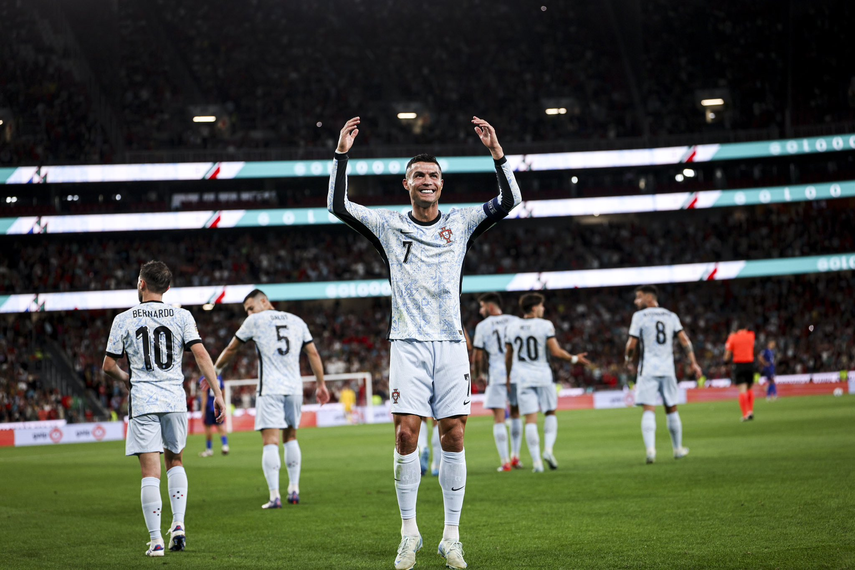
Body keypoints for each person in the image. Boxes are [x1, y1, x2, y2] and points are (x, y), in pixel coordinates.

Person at [329, 116, 522, 570]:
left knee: (453, 434)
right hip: (408, 343)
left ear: (442, 183)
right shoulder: (388, 225)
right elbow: (338, 206)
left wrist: (497, 153)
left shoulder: (462, 221)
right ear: (407, 184)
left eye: (433, 175)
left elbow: (510, 201)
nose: (427, 180)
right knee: (405, 435)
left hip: (451, 343)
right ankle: (409, 533)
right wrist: (341, 156)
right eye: (419, 175)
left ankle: (451, 537)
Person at [102, 260, 225, 557]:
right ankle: (179, 525)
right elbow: (201, 355)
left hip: (143, 401)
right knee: (176, 461)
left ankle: (156, 541)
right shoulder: (182, 316)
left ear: (141, 284)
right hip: (174, 400)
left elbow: (108, 366)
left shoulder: (123, 319)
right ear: (167, 288)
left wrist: (126, 378)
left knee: (150, 471)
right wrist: (218, 393)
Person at [213, 289, 330, 508]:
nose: (249, 313)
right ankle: (294, 490)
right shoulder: (297, 321)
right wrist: (321, 384)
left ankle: (275, 496)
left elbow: (231, 349)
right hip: (294, 388)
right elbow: (313, 353)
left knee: (270, 442)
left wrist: (214, 370)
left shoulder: (255, 321)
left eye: (250, 308)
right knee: (291, 437)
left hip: (270, 389)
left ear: (264, 301)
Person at [504, 293, 590, 473]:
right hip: (542, 375)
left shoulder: (512, 327)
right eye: (542, 306)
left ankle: (536, 463)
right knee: (550, 412)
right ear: (534, 308)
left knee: (530, 420)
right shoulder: (545, 325)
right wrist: (574, 359)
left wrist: (508, 376)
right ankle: (548, 450)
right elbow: (556, 352)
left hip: (522, 377)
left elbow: (509, 356)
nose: (543, 309)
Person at [625, 285, 701, 464]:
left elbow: (631, 344)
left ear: (649, 298)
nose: (636, 301)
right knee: (671, 408)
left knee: (648, 409)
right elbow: (684, 340)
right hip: (667, 369)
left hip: (648, 369)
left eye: (639, 297)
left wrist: (627, 359)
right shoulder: (671, 316)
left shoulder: (639, 316)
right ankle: (678, 449)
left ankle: (651, 451)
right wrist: (694, 362)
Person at [472, 292, 523, 471]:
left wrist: (478, 374)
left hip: (497, 375)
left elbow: (478, 356)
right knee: (516, 414)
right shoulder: (516, 321)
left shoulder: (482, 326)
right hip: (518, 373)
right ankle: (516, 457)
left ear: (490, 307)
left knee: (499, 418)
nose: (480, 311)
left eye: (482, 307)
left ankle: (505, 462)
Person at [725, 325, 757, 421]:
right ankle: (751, 411)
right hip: (750, 363)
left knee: (742, 390)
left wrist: (725, 362)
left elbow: (727, 355)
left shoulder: (733, 337)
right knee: (750, 388)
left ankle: (745, 414)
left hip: (739, 364)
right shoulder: (751, 335)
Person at [198, 375, 229, 456]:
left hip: (209, 407)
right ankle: (225, 446)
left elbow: (204, 395)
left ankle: (209, 449)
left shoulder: (204, 378)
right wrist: (223, 404)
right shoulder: (219, 378)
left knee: (208, 428)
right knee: (221, 426)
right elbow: (223, 392)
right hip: (218, 406)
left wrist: (203, 409)